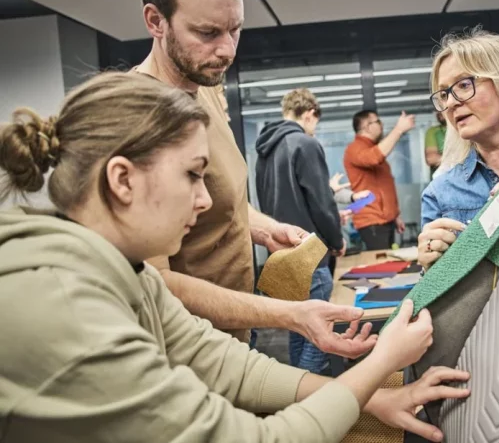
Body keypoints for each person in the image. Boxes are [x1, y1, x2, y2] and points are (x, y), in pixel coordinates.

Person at [0, 72, 471, 442]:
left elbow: (229, 365)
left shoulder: (129, 270)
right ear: (122, 180)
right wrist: (378, 366)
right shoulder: (65, 310)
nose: (205, 201)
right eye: (192, 175)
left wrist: (368, 398)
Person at [133, 0, 375, 355]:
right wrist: (287, 315)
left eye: (235, 29)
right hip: (188, 355)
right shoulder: (137, 116)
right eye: (207, 32)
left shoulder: (204, 87)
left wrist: (265, 228)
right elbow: (154, 284)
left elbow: (219, 197)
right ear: (156, 21)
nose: (226, 50)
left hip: (238, 332)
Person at [418, 29, 499, 269]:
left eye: (464, 84)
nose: (451, 102)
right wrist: (429, 266)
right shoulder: (440, 193)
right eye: (444, 94)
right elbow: (437, 298)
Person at [255, 88, 347, 373]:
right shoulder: (305, 144)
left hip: (282, 255)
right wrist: (336, 239)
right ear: (309, 114)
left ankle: (296, 394)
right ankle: (309, 401)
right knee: (320, 339)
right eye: (315, 122)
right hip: (311, 255)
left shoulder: (264, 151)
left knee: (298, 333)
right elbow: (321, 203)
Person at [344, 110, 414, 250]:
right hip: (372, 222)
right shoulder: (354, 149)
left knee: (388, 266)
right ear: (367, 126)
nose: (381, 125)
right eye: (378, 121)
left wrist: (395, 216)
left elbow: (383, 186)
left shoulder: (371, 147)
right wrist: (398, 129)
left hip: (385, 221)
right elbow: (374, 157)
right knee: (381, 269)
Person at [424, 111, 447, 177]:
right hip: (440, 181)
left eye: (441, 107)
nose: (438, 112)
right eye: (436, 110)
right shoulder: (433, 131)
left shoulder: (462, 129)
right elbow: (431, 159)